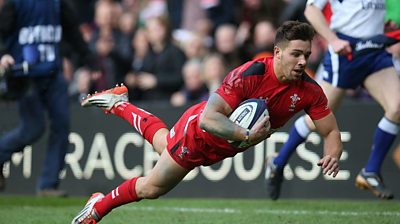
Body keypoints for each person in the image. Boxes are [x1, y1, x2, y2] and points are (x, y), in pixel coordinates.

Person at [71, 21, 342, 224]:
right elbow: (208, 119)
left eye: (306, 54)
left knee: (164, 142)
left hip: (220, 145)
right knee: (151, 187)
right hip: (198, 134)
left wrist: (333, 152)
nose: (303, 61)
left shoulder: (309, 89)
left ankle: (120, 104)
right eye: (296, 54)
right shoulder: (250, 74)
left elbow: (329, 129)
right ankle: (96, 208)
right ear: (277, 52)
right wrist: (246, 134)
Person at [265, 0, 400, 201]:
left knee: (397, 106)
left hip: (374, 50)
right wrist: (332, 39)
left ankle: (370, 171)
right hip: (346, 52)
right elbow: (311, 9)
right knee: (316, 119)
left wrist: (380, 25)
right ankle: (278, 161)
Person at [0, 0, 96, 196]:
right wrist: (3, 55)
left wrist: (90, 61)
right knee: (33, 128)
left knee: (62, 126)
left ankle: (48, 185)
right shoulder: (15, 4)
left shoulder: (58, 4)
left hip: (53, 74)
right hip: (25, 76)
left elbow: (73, 33)